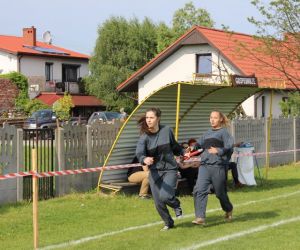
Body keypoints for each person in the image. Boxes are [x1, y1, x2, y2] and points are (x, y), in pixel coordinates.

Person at [136, 107, 184, 231]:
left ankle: (176, 205)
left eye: (151, 117)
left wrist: (183, 152)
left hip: (170, 169)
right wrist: (144, 159)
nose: (148, 120)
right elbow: (139, 153)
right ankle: (168, 223)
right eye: (147, 118)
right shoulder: (144, 137)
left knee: (165, 196)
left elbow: (174, 146)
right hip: (154, 172)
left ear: (158, 119)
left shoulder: (167, 130)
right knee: (158, 202)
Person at [190, 110, 234, 225]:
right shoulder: (207, 133)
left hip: (218, 166)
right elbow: (198, 144)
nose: (212, 120)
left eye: (215, 118)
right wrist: (192, 147)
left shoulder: (224, 133)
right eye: (211, 117)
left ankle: (228, 208)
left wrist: (218, 150)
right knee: (199, 189)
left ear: (220, 119)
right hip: (204, 165)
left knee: (220, 193)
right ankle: (200, 217)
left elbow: (229, 147)